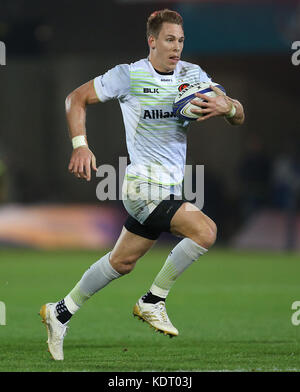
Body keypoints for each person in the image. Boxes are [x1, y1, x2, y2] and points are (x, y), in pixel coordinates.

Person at [39, 9, 244, 360]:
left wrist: (229, 107)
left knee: (122, 263)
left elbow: (237, 114)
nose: (176, 46)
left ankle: (60, 312)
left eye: (180, 40)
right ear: (152, 41)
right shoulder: (128, 76)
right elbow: (75, 98)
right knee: (206, 231)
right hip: (140, 187)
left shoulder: (193, 75)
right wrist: (81, 145)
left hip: (166, 190)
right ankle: (153, 300)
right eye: (168, 39)